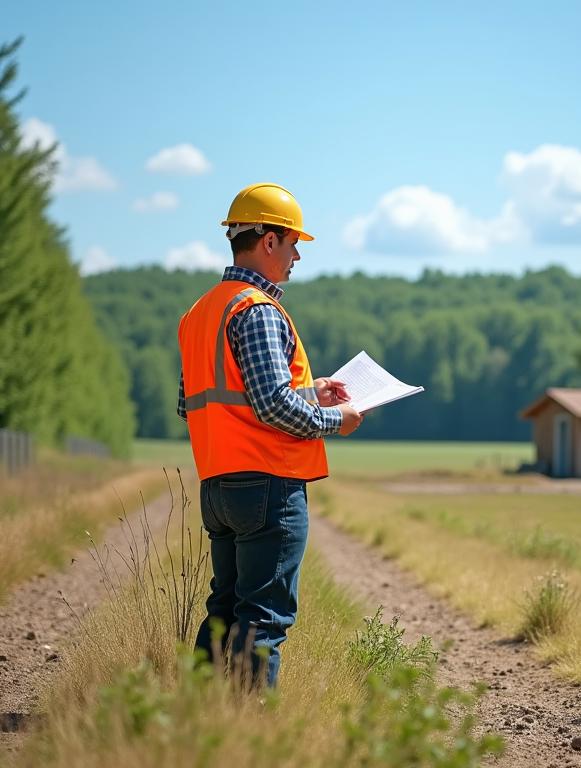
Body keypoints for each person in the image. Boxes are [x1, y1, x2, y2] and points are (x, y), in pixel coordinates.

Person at [176, 183, 363, 688]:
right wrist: (334, 420)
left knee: (225, 609)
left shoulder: (199, 314)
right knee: (262, 618)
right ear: (268, 242)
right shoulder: (256, 309)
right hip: (267, 484)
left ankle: (192, 718)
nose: (298, 254)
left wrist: (310, 389)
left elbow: (192, 402)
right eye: (293, 241)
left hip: (218, 486)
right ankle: (251, 732)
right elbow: (271, 404)